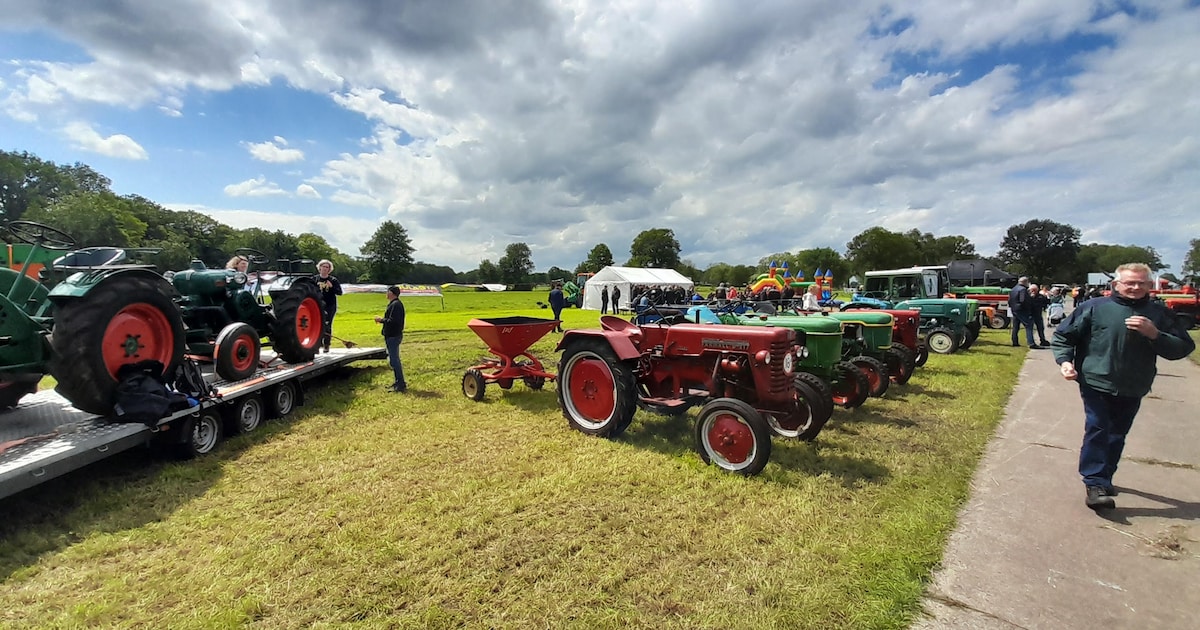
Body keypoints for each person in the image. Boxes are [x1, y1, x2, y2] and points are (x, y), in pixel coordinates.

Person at [1051, 263, 1194, 510]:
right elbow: (1064, 336)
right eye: (1130, 282)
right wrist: (1065, 362)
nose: (1135, 287)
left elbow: (1183, 348)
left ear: (1149, 285)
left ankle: (1105, 477)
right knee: (1098, 427)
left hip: (1134, 384)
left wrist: (1155, 334)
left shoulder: (1159, 314)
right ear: (1116, 284)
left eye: (1141, 283)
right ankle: (1094, 482)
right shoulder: (1094, 308)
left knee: (1117, 433)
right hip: (1095, 380)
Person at [373, 286, 407, 393]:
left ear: (392, 293)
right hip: (392, 336)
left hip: (393, 336)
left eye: (387, 292)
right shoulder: (394, 304)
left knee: (394, 361)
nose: (386, 293)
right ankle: (398, 382)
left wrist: (381, 320)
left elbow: (393, 321)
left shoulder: (396, 305)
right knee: (394, 360)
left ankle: (400, 384)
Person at [313, 259, 343, 353]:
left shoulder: (333, 280)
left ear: (329, 269)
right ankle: (317, 344)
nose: (325, 269)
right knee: (317, 325)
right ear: (319, 268)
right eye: (323, 266)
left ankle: (326, 345)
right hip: (318, 305)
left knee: (327, 325)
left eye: (327, 267)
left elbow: (339, 292)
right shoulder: (315, 279)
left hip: (330, 305)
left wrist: (331, 287)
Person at [1008, 276, 1040, 348]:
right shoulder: (1023, 289)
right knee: (1029, 325)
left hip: (1014, 309)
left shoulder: (1013, 289)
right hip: (1021, 310)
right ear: (1025, 282)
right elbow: (1023, 300)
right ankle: (1031, 343)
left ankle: (1015, 342)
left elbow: (1009, 300)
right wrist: (1028, 308)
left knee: (1015, 327)